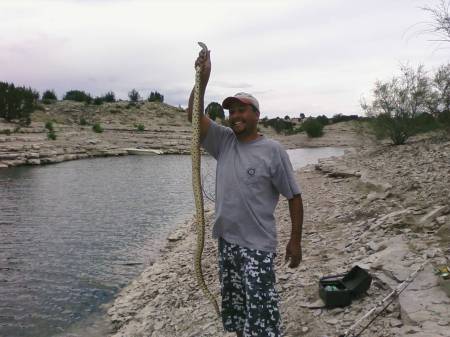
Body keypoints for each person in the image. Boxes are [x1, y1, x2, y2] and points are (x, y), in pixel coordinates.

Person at [187, 47, 304, 337]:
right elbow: (192, 116)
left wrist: (295, 240)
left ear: (256, 114)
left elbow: (294, 196)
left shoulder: (273, 151)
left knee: (262, 312)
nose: (235, 116)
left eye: (241, 110)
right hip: (227, 243)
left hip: (257, 247)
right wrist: (202, 79)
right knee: (237, 310)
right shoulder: (224, 141)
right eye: (231, 111)